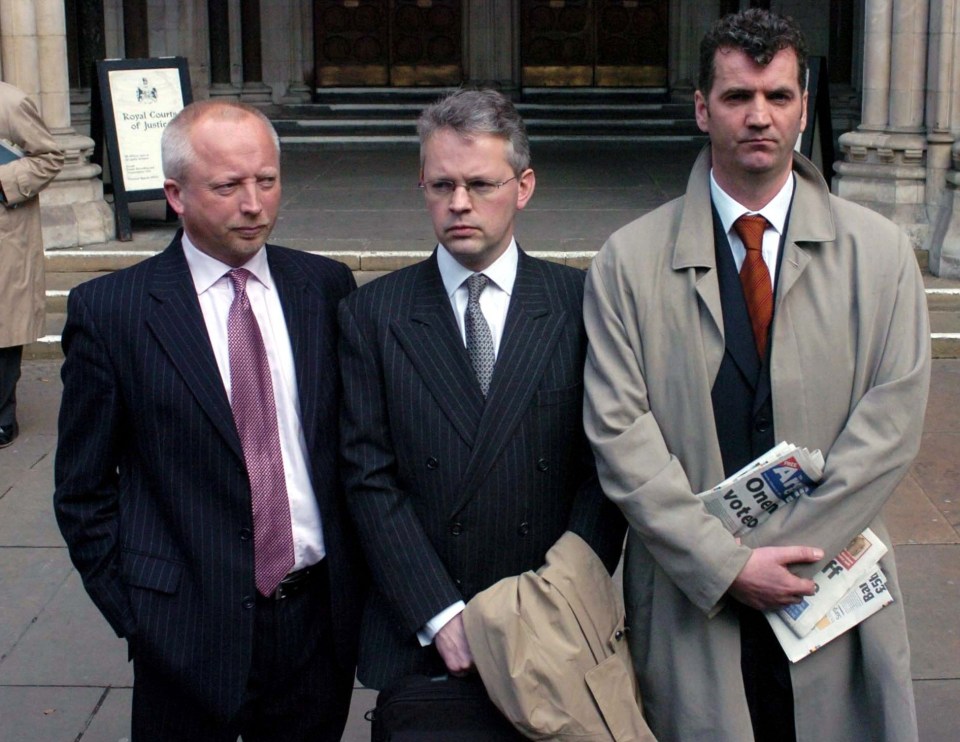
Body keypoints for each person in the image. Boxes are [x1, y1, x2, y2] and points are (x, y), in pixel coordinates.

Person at [583, 9, 930, 742]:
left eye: (778, 96)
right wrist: (727, 566)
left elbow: (890, 427)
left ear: (804, 107)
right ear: (703, 107)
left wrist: (792, 558)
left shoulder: (883, 254)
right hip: (693, 595)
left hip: (830, 589)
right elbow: (620, 436)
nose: (759, 116)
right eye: (739, 97)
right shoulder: (627, 259)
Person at [54, 100, 364, 741]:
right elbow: (83, 490)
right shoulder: (113, 311)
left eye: (268, 180)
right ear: (176, 194)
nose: (254, 204)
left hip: (315, 626)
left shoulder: (325, 288)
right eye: (228, 186)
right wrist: (140, 613)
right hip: (185, 631)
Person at [339, 89, 625, 698]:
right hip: (427, 630)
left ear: (523, 187)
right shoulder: (371, 314)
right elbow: (368, 476)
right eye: (441, 186)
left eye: (481, 184)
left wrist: (561, 597)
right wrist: (440, 615)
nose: (459, 204)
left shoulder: (581, 303)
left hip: (554, 620)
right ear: (422, 186)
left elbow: (606, 468)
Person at [0, 81, 64, 448]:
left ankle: (2, 413)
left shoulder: (10, 102)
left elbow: (49, 156)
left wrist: (4, 178)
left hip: (5, 234)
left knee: (3, 330)